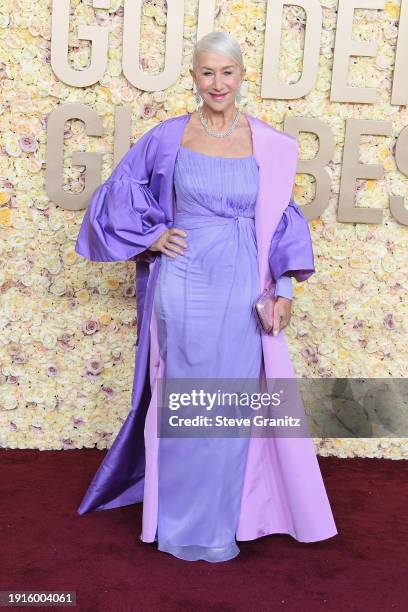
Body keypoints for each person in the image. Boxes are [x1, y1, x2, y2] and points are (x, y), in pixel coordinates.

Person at [75, 32, 338, 563]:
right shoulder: (168, 137)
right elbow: (119, 193)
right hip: (184, 282)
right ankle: (175, 525)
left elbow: (283, 220)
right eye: (207, 73)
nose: (217, 83)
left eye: (227, 72)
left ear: (242, 76)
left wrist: (282, 287)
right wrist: (150, 236)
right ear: (193, 77)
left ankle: (220, 524)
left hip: (243, 288)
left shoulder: (269, 143)